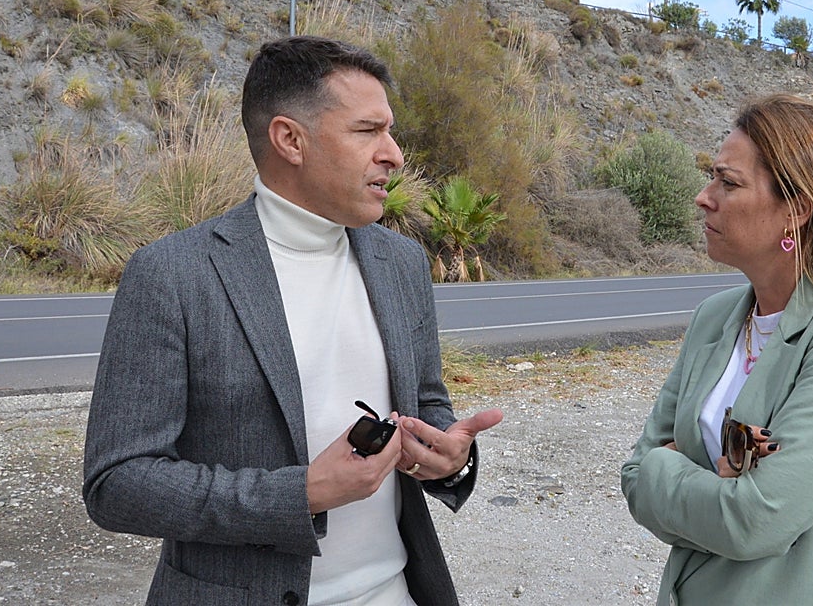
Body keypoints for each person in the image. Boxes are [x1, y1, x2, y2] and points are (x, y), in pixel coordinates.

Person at [84, 35, 503, 606]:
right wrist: (300, 494)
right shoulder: (173, 273)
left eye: (390, 131)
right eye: (368, 130)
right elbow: (117, 484)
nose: (394, 154)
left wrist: (446, 458)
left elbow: (426, 402)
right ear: (290, 139)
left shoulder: (402, 262)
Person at [621, 93, 813, 606]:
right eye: (712, 178)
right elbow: (633, 476)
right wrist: (714, 490)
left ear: (796, 209)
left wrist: (665, 472)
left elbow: (757, 520)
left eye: (728, 182)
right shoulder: (715, 317)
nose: (704, 197)